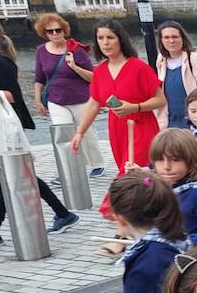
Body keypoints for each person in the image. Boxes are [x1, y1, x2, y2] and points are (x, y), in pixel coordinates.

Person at [0, 15, 79, 252]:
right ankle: (63, 213)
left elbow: (13, 96)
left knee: (0, 178)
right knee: (19, 174)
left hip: (5, 126)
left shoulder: (1, 62)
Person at [68, 18, 164, 180]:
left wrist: (136, 107)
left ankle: (119, 204)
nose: (105, 43)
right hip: (116, 128)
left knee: (132, 176)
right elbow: (94, 103)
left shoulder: (138, 67)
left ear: (120, 39)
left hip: (140, 126)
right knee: (129, 174)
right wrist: (80, 132)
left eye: (110, 37)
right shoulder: (100, 72)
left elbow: (160, 100)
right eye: (101, 38)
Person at [32, 13, 104, 175]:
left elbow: (94, 77)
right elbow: (39, 78)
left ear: (64, 30)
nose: (55, 34)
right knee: (63, 134)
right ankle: (70, 168)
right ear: (45, 33)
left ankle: (96, 164)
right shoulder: (41, 51)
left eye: (58, 30)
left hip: (81, 99)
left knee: (86, 133)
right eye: (50, 31)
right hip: (56, 100)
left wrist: (75, 67)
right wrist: (37, 100)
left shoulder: (76, 49)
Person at [153, 20, 197, 131]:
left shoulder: (194, 59)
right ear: (161, 40)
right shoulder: (161, 60)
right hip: (170, 121)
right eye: (166, 37)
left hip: (193, 122)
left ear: (182, 38)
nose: (171, 41)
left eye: (175, 37)